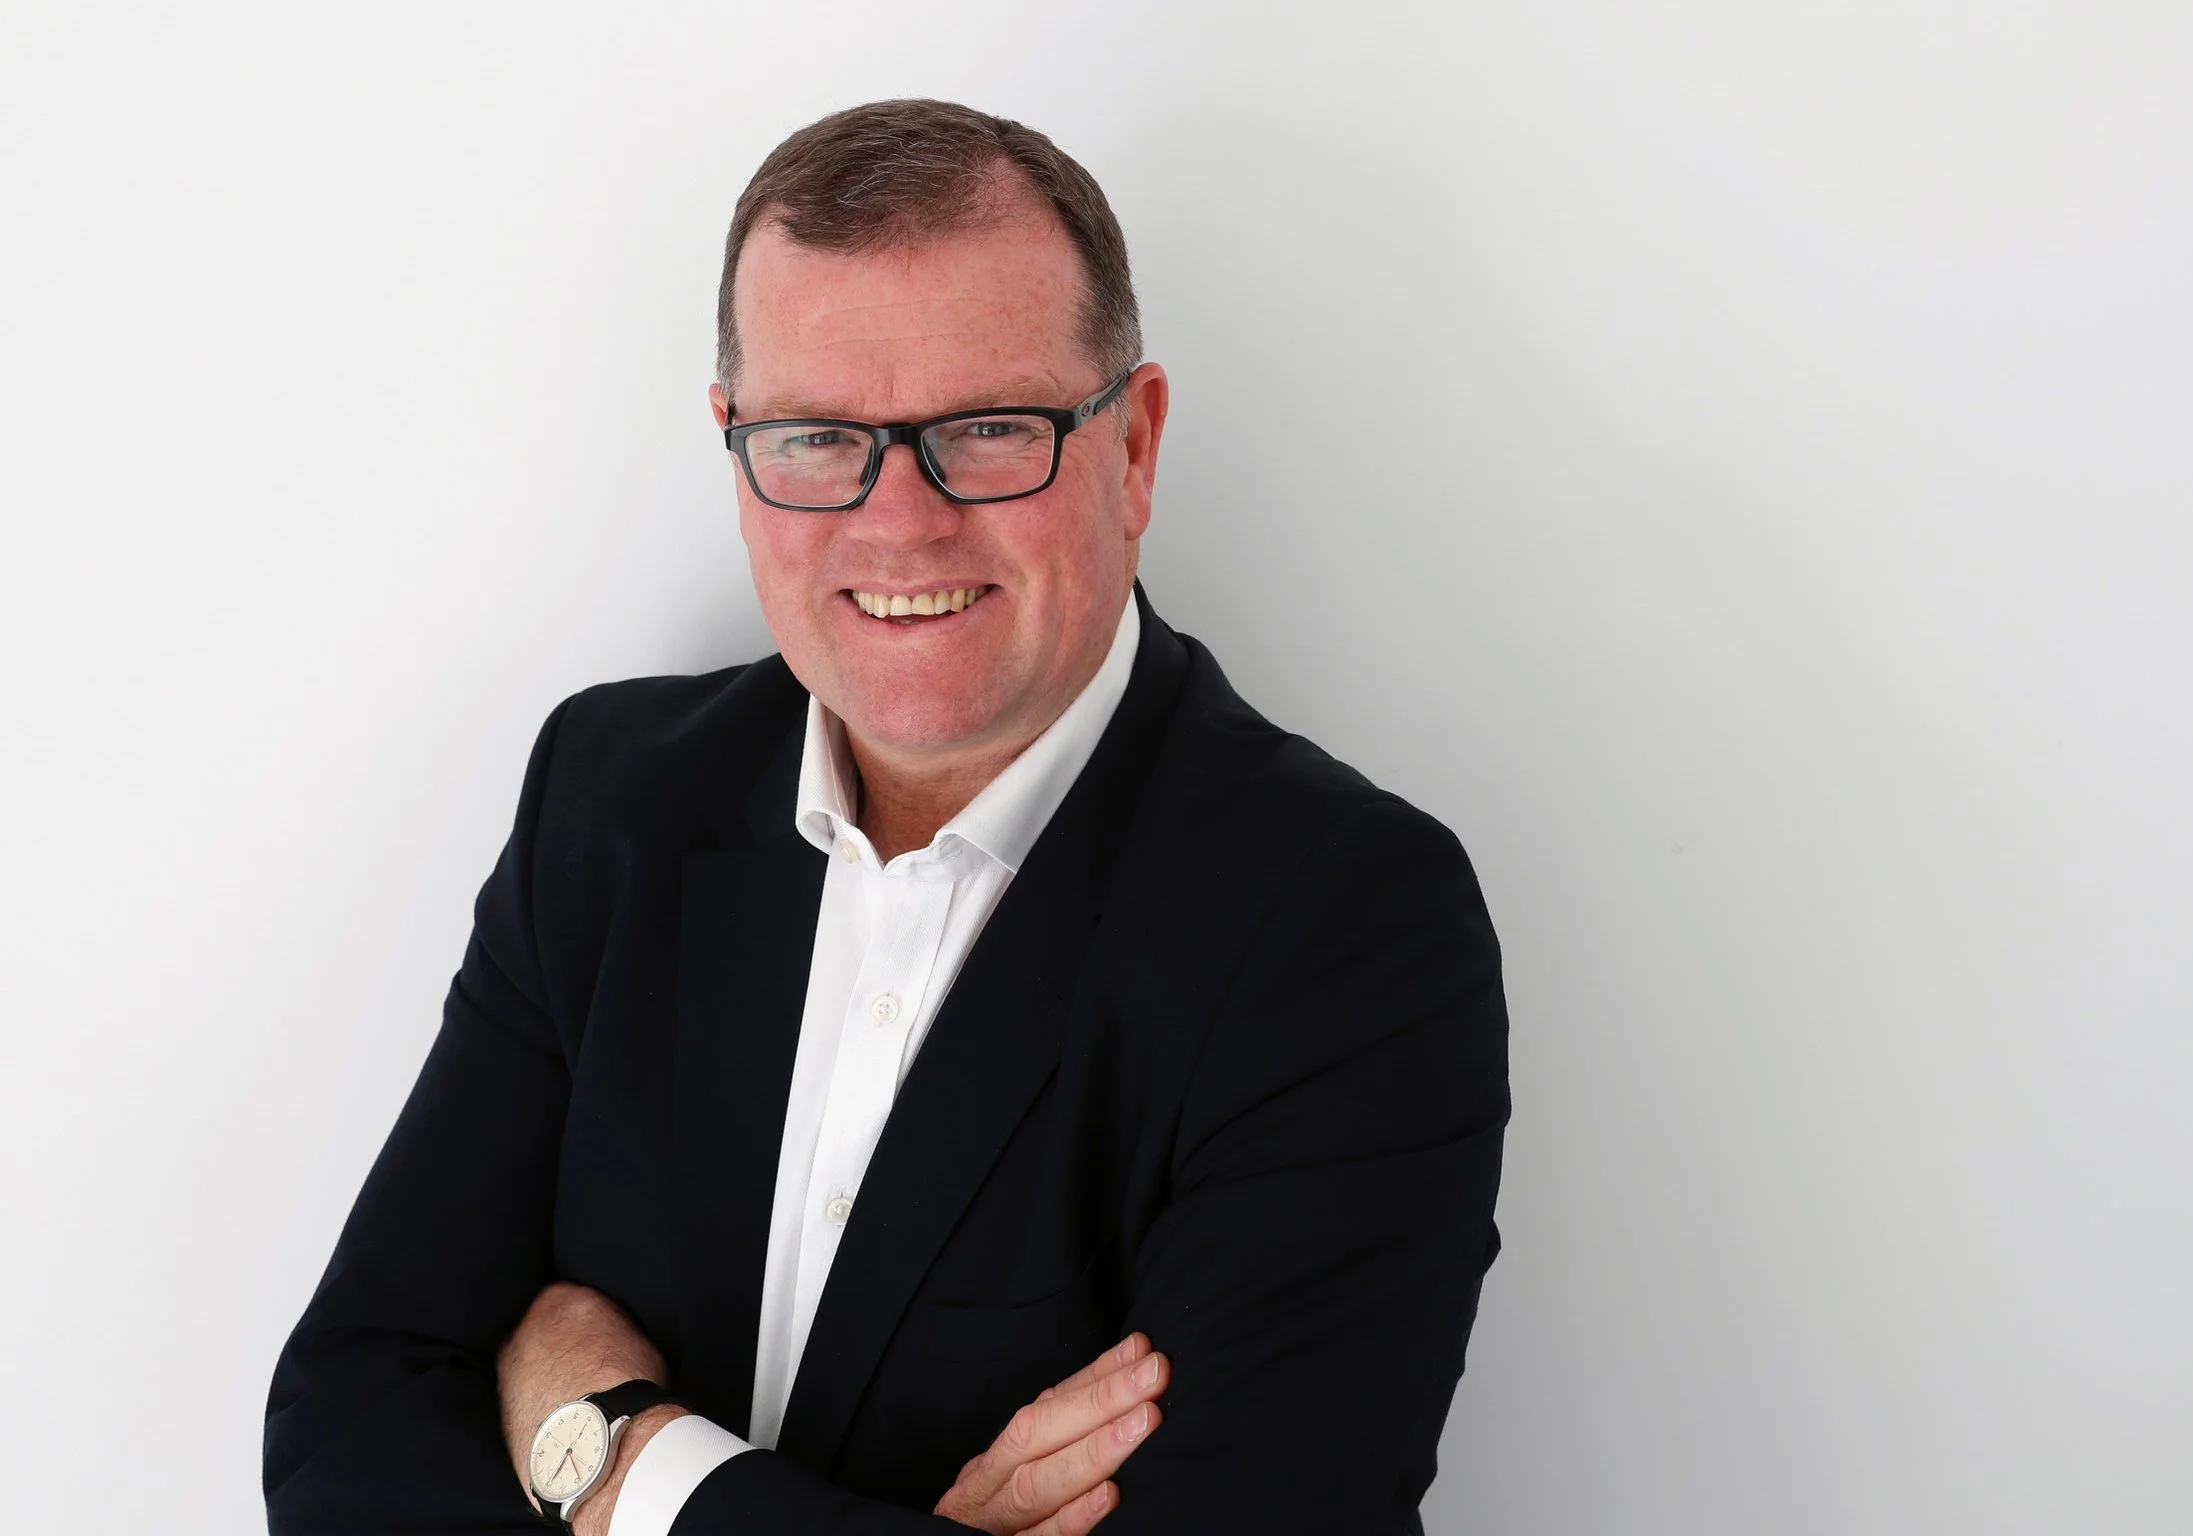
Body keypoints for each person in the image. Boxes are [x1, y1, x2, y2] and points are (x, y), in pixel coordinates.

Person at [264, 98, 1508, 1536]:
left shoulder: (1346, 926)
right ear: (737, 449)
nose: (899, 521)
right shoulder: (609, 801)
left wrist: (621, 1460)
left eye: (989, 429)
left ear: (1136, 448)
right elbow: (349, 1416)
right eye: (815, 438)